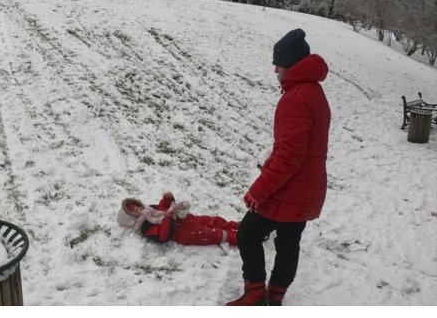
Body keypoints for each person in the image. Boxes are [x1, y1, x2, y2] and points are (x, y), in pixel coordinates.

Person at [226, 28, 331, 306]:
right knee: (288, 241)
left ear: (292, 64)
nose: (275, 69)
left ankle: (255, 295)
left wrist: (257, 192)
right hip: (308, 186)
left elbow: (289, 158)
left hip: (291, 189)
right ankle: (275, 297)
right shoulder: (313, 91)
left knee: (248, 233)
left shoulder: (296, 98)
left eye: (279, 63)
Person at [117, 192, 238, 246]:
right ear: (131, 217)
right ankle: (241, 238)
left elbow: (162, 208)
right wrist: (170, 215)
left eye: (137, 206)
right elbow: (163, 236)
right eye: (134, 210)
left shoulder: (151, 209)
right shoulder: (145, 227)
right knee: (214, 234)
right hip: (183, 233)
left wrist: (167, 200)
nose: (138, 209)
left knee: (213, 221)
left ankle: (239, 226)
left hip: (187, 219)